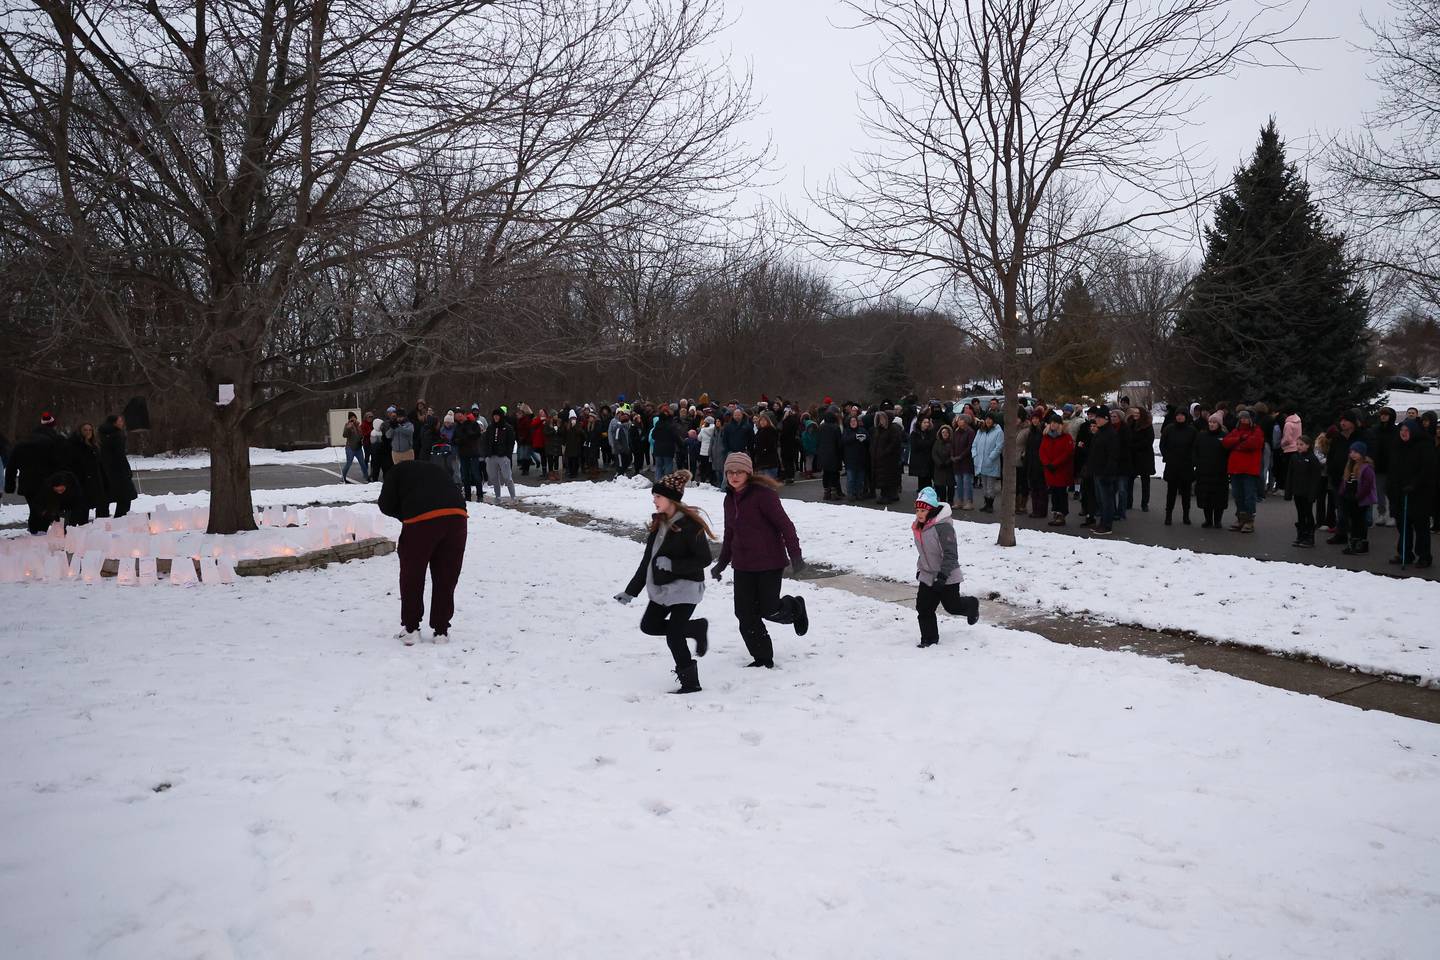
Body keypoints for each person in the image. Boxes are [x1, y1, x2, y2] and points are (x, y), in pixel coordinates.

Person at [613, 470, 715, 693]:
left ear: (671, 499)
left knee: (674, 635)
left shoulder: (690, 525)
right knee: (649, 625)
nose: (654, 500)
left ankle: (691, 683)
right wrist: (631, 591)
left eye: (658, 497)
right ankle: (696, 627)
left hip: (686, 588)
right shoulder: (659, 523)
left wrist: (674, 565)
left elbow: (704, 559)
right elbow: (647, 561)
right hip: (663, 588)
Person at [711, 453, 809, 669]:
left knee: (769, 608)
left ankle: (795, 607)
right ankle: (762, 658)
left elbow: (786, 525)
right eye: (730, 472)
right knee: (744, 613)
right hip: (743, 564)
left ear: (748, 473)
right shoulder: (729, 499)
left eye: (739, 472)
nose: (734, 476)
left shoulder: (763, 495)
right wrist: (722, 562)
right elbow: (730, 533)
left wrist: (796, 555)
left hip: (768, 562)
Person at [377, 458, 468, 644]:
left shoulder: (395, 471)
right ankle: (441, 631)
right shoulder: (435, 467)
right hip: (457, 517)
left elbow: (385, 505)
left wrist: (405, 515)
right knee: (446, 576)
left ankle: (411, 629)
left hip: (421, 521)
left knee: (413, 574)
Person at [910, 486, 980, 647]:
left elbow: (951, 555)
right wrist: (921, 569)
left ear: (932, 510)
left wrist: (942, 576)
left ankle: (971, 605)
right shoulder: (919, 526)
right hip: (928, 575)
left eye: (923, 510)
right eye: (918, 510)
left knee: (952, 607)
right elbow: (924, 552)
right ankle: (929, 639)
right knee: (924, 608)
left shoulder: (943, 527)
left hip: (947, 575)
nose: (919, 513)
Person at [1388, 418, 1435, 567]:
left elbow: (1427, 469)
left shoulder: (1424, 446)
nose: (1403, 433)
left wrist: (1414, 484)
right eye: (1402, 430)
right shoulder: (1397, 446)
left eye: (1407, 430)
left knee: (1421, 527)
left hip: (1419, 494)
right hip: (1400, 493)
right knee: (1403, 526)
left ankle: (1424, 555)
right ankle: (1405, 553)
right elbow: (1393, 469)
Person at [1222, 408, 1264, 533]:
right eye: (1241, 418)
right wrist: (1239, 440)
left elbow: (1253, 444)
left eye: (1245, 418)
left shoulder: (1257, 431)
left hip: (1249, 469)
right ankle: (1241, 518)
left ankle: (1249, 520)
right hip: (1235, 469)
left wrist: (1237, 445)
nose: (1243, 420)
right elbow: (1225, 442)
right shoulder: (1236, 431)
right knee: (1238, 495)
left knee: (1249, 495)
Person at [1086, 408, 1126, 535]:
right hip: (1096, 471)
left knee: (1107, 500)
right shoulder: (1100, 432)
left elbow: (1113, 456)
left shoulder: (1111, 434)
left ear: (1106, 419)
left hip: (1106, 473)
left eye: (1099, 418)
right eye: (1096, 418)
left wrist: (1108, 473)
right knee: (1100, 500)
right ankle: (1102, 522)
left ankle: (1107, 525)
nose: (1096, 420)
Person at [1338, 441, 1377, 556]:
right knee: (1353, 521)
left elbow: (1367, 485)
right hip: (1349, 497)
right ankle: (1353, 543)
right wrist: (1342, 493)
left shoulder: (1366, 468)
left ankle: (1361, 543)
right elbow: (1345, 481)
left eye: (1356, 452)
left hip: (1360, 499)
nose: (1353, 454)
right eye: (1351, 452)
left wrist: (1358, 496)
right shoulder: (1349, 466)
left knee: (1360, 521)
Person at [1159, 409, 1197, 525]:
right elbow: (1162, 445)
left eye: (1182, 415)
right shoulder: (1169, 429)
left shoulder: (1192, 430)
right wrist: (1168, 457)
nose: (1180, 417)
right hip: (1172, 465)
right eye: (1178, 415)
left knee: (1186, 493)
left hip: (1186, 465)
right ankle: (1168, 515)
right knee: (1171, 492)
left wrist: (1192, 460)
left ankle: (1186, 515)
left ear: (1186, 417)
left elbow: (1195, 447)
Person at [1194, 412, 1230, 528]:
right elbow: (1195, 451)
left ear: (1219, 424)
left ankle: (1218, 520)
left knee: (1219, 497)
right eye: (1210, 422)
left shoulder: (1225, 436)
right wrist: (1198, 463)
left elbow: (1228, 454)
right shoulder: (1201, 436)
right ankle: (1208, 519)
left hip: (1220, 472)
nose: (1212, 424)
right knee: (1206, 497)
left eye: (1214, 422)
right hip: (1204, 471)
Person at [1038, 413, 1075, 526]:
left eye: (1055, 422)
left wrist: (1055, 464)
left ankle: (1061, 514)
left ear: (1060, 424)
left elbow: (1067, 453)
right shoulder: (1046, 436)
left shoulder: (1066, 437)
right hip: (1050, 469)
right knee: (1053, 492)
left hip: (1061, 469)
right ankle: (1055, 512)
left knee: (1061, 492)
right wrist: (1046, 463)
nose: (1053, 424)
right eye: (1051, 422)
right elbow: (1042, 451)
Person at [99, 415, 138, 520]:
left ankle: (106, 520)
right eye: (120, 421)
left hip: (107, 471)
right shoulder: (116, 436)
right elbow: (120, 457)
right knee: (125, 498)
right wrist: (127, 471)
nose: (122, 423)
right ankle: (119, 520)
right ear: (114, 423)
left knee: (108, 498)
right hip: (118, 473)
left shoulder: (103, 435)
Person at [1287, 434, 1323, 548]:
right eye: (1297, 444)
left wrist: (1313, 494)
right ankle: (1301, 535)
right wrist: (1288, 491)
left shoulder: (1312, 459)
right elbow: (1290, 475)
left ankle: (1309, 536)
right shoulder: (1294, 457)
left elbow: (1315, 478)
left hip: (1307, 492)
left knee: (1308, 513)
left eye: (1301, 444)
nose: (1299, 446)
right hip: (1298, 491)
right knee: (1300, 514)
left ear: (1308, 445)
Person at [69, 422, 106, 525]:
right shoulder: (77, 445)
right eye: (85, 430)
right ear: (81, 431)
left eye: (90, 430)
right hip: (83, 480)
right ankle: (81, 528)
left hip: (95, 480)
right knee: (83, 508)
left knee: (99, 505)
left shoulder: (94, 445)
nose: (88, 432)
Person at [971, 411, 1004, 513]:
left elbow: (999, 447)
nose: (988, 421)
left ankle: (990, 505)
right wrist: (975, 455)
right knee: (984, 486)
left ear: (993, 420)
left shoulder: (998, 432)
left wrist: (991, 458)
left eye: (990, 419)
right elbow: (974, 444)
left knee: (990, 486)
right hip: (980, 462)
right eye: (987, 419)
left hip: (991, 462)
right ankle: (986, 503)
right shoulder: (980, 431)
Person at [485, 408, 518, 499]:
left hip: (503, 456)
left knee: (507, 477)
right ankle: (497, 496)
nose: (495, 417)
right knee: (494, 478)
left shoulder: (507, 428)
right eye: (494, 416)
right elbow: (485, 441)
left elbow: (511, 442)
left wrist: (508, 455)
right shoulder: (490, 427)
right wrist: (487, 454)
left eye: (497, 415)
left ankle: (513, 497)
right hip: (491, 455)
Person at [1126, 407, 1154, 512]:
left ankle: (1144, 503)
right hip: (1132, 457)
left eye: (1137, 413)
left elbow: (1148, 441)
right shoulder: (1129, 424)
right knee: (1129, 480)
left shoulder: (1147, 425)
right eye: (1134, 412)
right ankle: (1129, 502)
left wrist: (1134, 446)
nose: (1135, 414)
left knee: (1145, 481)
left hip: (1144, 457)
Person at [841, 414, 870, 501]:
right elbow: (844, 441)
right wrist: (855, 437)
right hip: (850, 459)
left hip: (861, 459)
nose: (853, 423)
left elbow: (869, 440)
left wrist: (864, 438)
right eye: (851, 421)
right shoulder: (846, 431)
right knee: (851, 478)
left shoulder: (862, 430)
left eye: (854, 421)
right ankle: (851, 494)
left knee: (860, 479)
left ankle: (859, 493)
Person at [816, 411, 844, 501]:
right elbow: (839, 443)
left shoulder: (821, 427)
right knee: (834, 474)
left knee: (826, 474)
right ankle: (833, 493)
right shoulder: (836, 428)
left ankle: (826, 493)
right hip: (834, 455)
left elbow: (818, 441)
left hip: (823, 455)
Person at [341, 412, 369, 483]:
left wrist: (358, 428)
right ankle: (343, 478)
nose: (353, 419)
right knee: (349, 463)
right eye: (351, 417)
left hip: (358, 448)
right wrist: (348, 428)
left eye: (354, 417)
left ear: (356, 418)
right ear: (349, 419)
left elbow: (361, 435)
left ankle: (366, 477)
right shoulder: (347, 425)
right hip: (350, 447)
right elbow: (344, 435)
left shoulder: (359, 425)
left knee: (362, 463)